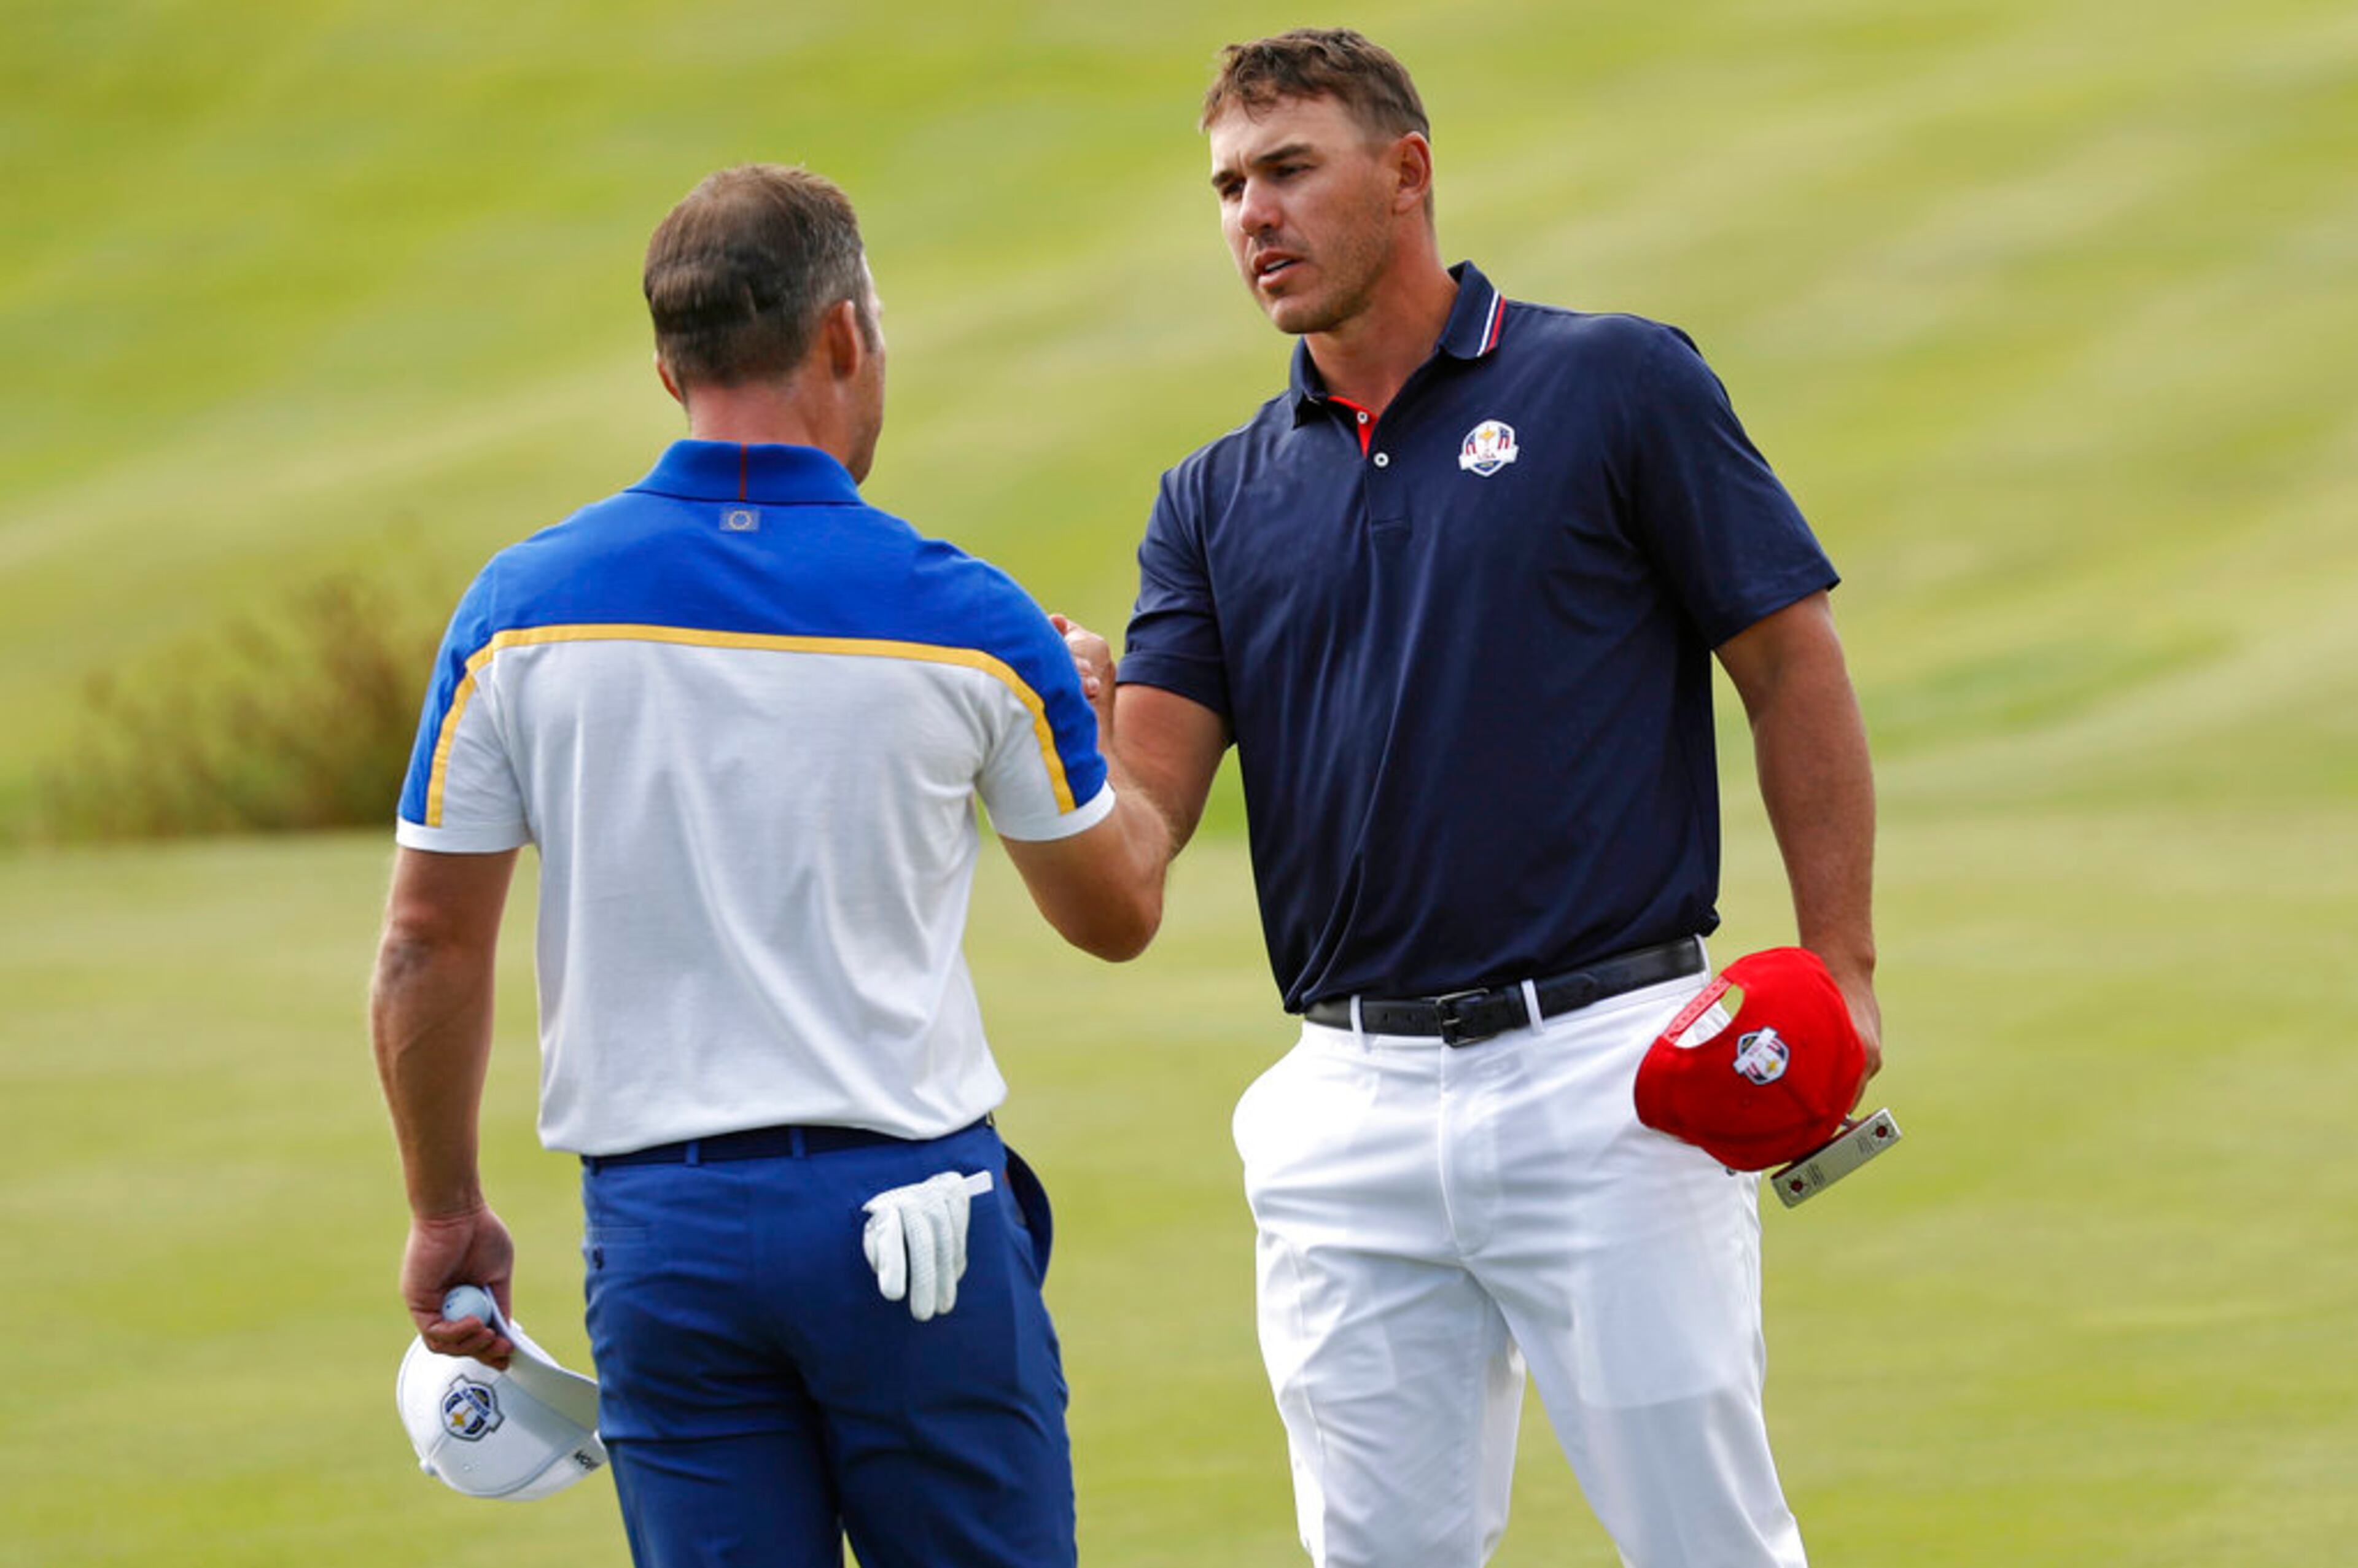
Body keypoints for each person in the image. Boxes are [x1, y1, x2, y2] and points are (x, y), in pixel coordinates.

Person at [1056, 29, 1881, 1568]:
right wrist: (1060, 732)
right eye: (1230, 185)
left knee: (1707, 1545)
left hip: (1614, 1077)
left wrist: (1841, 963)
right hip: (1346, 1107)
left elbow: (1790, 658)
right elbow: (1142, 833)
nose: (1254, 215)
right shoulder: (1213, 497)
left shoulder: (1612, 381)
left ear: (1409, 172)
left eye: (1291, 169)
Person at [370, 163, 1169, 1568]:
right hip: (914, 1225)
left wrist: (445, 1206)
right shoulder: (973, 620)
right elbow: (1113, 914)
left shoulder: (516, 613)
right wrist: (1087, 718)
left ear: (667, 364)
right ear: (846, 335)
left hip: (662, 1237)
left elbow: (425, 945)